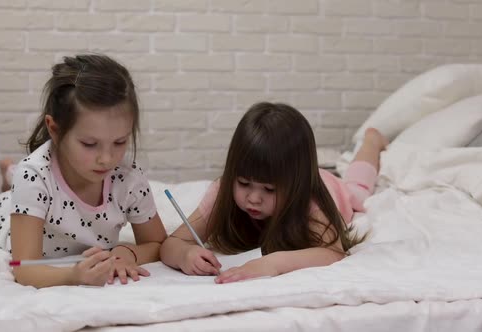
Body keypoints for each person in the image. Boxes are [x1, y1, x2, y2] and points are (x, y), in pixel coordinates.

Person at [0, 54, 167, 288]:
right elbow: (23, 269)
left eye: (120, 142)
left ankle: (10, 174)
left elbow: (158, 243)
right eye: (89, 144)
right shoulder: (34, 175)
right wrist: (72, 276)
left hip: (32, 188)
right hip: (3, 217)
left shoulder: (128, 178)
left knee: (26, 179)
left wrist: (128, 253)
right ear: (54, 130)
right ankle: (11, 178)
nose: (107, 159)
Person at [160, 102, 388, 283]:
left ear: (296, 187)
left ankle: (371, 141)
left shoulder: (311, 201)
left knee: (356, 191)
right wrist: (184, 254)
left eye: (269, 189)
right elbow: (172, 243)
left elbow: (333, 254)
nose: (253, 198)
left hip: (330, 187)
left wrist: (273, 263)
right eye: (243, 183)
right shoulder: (223, 190)